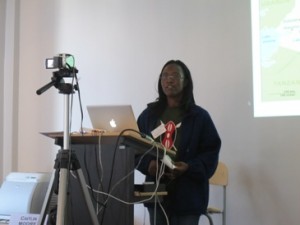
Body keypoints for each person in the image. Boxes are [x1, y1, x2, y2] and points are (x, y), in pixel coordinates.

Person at [136, 60, 221, 225]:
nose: (169, 80)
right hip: (156, 193)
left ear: (186, 81)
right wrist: (148, 165)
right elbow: (135, 149)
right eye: (165, 76)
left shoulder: (200, 117)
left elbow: (210, 154)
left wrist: (189, 167)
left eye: (175, 75)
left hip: (188, 196)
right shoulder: (149, 115)